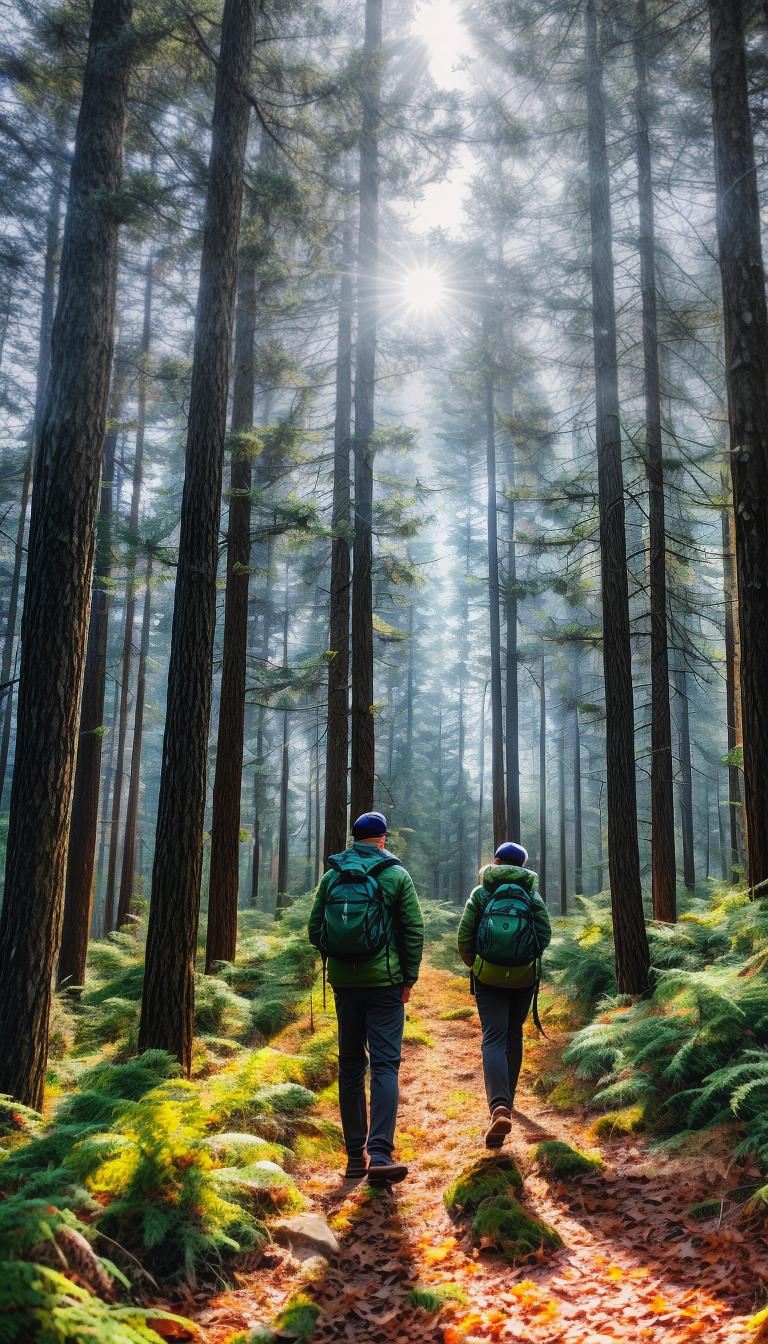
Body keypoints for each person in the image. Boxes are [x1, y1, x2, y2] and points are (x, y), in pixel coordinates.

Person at [308, 811, 424, 1184]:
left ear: (354, 839)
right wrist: (409, 977)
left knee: (350, 1066)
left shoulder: (332, 876)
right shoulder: (395, 875)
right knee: (385, 1065)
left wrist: (341, 961)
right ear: (382, 840)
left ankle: (355, 1157)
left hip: (345, 986)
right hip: (386, 985)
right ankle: (380, 1153)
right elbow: (413, 929)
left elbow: (314, 929)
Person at [457, 841, 551, 1149]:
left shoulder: (482, 893)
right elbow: (544, 935)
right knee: (513, 1036)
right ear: (522, 866)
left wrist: (478, 965)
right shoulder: (531, 894)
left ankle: (498, 1106)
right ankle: (507, 1104)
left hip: (488, 976)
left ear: (496, 862)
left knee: (493, 1037)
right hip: (523, 976)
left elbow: (465, 936)